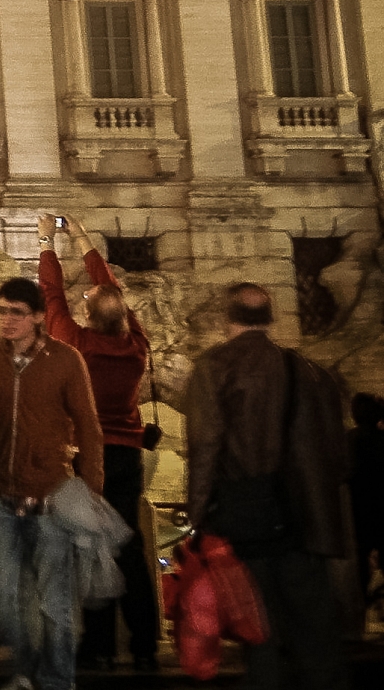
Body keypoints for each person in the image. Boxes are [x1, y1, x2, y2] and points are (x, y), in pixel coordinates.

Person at [185, 282, 351, 690]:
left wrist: (197, 514)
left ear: (228, 318)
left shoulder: (213, 367)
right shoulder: (307, 371)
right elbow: (336, 453)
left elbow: (206, 445)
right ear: (270, 318)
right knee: (315, 628)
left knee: (258, 628)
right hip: (300, 517)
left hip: (243, 516)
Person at [0, 277, 103, 690]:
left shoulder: (66, 359)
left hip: (50, 491)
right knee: (5, 598)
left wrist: (92, 492)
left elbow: (89, 426)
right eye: (0, 311)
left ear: (39, 317)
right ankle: (24, 670)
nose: (5, 320)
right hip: (1, 489)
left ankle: (57, 679)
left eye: (15, 313)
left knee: (53, 598)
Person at [36, 215, 157, 672]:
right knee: (129, 548)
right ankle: (144, 643)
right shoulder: (137, 346)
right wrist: (82, 237)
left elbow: (49, 296)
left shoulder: (77, 344)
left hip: (91, 457)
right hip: (128, 453)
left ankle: (99, 645)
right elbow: (110, 290)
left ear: (86, 315)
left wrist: (47, 240)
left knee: (90, 546)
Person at [350, 392, 384, 602]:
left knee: (360, 560)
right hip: (381, 507)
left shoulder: (348, 441)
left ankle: (359, 606)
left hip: (358, 508)